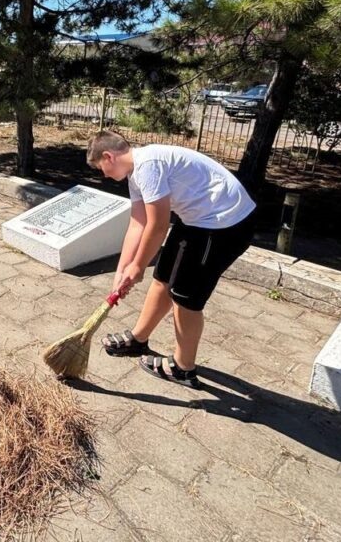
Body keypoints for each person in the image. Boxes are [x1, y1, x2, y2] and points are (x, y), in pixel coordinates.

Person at [87, 130, 256, 389]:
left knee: (185, 298)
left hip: (224, 225)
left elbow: (158, 226)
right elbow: (138, 223)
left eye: (101, 168)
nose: (104, 175)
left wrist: (138, 266)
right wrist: (122, 270)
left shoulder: (148, 166)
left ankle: (183, 367)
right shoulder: (136, 175)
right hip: (196, 219)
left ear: (109, 156)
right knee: (163, 277)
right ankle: (138, 339)